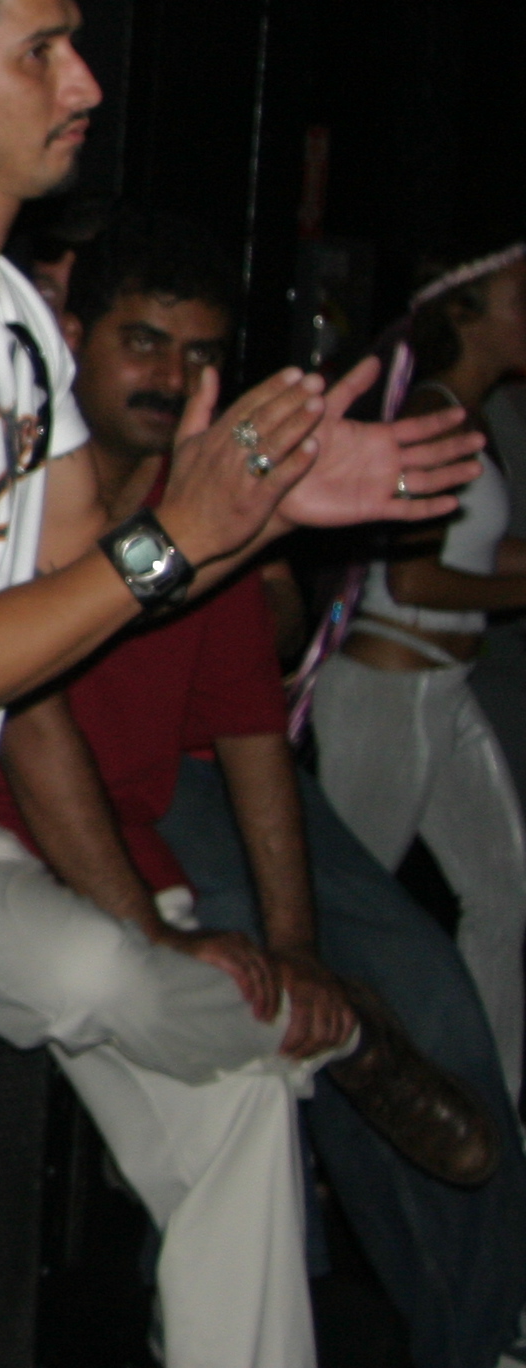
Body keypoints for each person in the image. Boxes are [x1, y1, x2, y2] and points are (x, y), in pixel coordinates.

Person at [0, 0, 479, 1368]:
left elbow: (77, 586)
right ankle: (329, 1034)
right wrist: (183, 537)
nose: (85, 82)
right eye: (39, 51)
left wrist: (258, 511)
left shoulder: (7, 317)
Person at [0, 210, 495, 1368]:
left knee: (244, 1105)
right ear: (74, 335)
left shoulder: (211, 514)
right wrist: (156, 928)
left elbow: (257, 741)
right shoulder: (10, 482)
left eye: (201, 353)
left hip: (118, 868)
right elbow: (37, 727)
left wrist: (296, 948)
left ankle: (293, 1036)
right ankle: (327, 1037)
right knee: (103, 965)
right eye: (145, 341)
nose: (172, 375)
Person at [310, 239, 526, 1097]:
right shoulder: (430, 417)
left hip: (441, 690)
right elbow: (415, 580)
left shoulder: (468, 414)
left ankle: (495, 1112)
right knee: (340, 916)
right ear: (464, 313)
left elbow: (477, 552)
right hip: (386, 695)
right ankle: (298, 1108)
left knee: (504, 896)